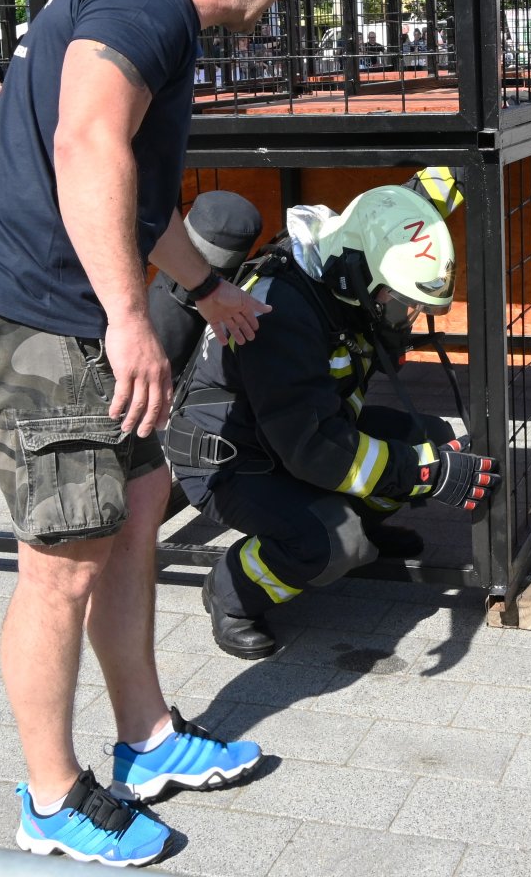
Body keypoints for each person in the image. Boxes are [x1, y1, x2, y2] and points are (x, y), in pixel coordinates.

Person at [0, 0, 295, 867]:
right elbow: (86, 139)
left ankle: (144, 740)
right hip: (31, 315)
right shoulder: (150, 4)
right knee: (63, 560)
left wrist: (207, 291)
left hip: (75, 312)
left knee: (136, 509)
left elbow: (137, 202)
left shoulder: (145, 2)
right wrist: (134, 321)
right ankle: (49, 797)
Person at [163, 176, 498, 659]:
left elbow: (416, 200)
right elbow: (317, 453)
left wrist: (482, 150)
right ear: (358, 272)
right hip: (233, 464)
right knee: (333, 540)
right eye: (402, 303)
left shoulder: (351, 252)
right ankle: (233, 590)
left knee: (429, 436)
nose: (406, 315)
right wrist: (428, 473)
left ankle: (357, 527)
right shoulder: (279, 313)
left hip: (295, 435)